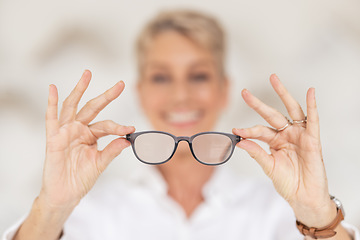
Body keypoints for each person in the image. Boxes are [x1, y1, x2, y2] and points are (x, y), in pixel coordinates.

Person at [3, 9, 359, 240]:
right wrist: (51, 208)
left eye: (199, 75)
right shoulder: (90, 213)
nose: (181, 95)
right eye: (161, 78)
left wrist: (317, 213)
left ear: (223, 91)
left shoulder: (279, 210)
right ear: (141, 93)